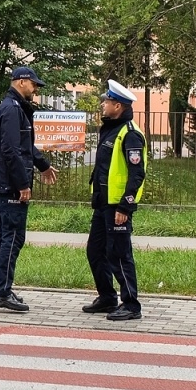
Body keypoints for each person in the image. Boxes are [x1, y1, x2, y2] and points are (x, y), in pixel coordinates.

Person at [0, 66, 58, 312]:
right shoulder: (12, 109)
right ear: (21, 82)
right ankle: (2, 292)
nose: (36, 89)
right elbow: (11, 150)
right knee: (13, 237)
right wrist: (22, 184)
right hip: (9, 185)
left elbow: (24, 147)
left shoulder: (13, 107)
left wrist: (43, 165)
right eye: (34, 84)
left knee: (3, 237)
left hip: (3, 183)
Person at [85, 79, 148, 321]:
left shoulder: (130, 134)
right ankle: (107, 297)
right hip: (103, 204)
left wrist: (126, 205)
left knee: (119, 254)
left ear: (118, 106)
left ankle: (131, 304)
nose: (103, 104)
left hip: (118, 206)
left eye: (107, 101)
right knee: (95, 251)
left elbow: (136, 174)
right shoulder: (110, 130)